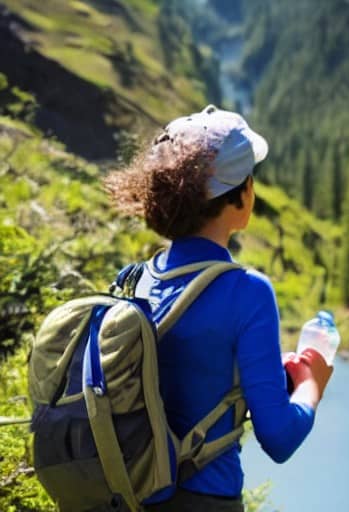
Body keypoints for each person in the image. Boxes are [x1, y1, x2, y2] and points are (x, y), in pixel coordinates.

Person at [104, 105, 333, 511]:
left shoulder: (136, 278)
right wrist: (312, 384)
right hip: (204, 501)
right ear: (241, 194)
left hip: (129, 493)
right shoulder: (247, 291)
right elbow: (278, 438)